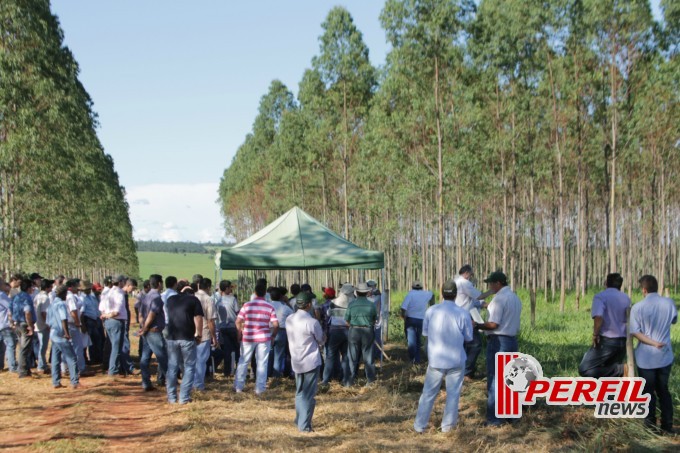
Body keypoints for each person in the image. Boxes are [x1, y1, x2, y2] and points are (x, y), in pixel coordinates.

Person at [414, 280, 473, 433]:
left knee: (428, 393)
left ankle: (420, 426)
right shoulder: (463, 313)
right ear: (455, 295)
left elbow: (425, 334)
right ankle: (447, 428)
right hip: (456, 360)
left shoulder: (431, 311)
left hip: (436, 360)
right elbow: (468, 338)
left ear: (442, 293)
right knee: (453, 394)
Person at [630, 275, 677, 434]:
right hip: (665, 356)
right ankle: (667, 426)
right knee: (663, 389)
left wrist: (652, 342)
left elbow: (635, 332)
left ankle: (650, 427)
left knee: (648, 392)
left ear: (644, 289)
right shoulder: (669, 303)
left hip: (646, 358)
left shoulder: (637, 307)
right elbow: (674, 320)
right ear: (657, 287)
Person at [474, 271, 522, 427]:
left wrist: (477, 325)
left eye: (491, 283)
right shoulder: (515, 298)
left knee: (495, 379)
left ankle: (494, 419)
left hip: (498, 341)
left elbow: (493, 324)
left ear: (498, 283)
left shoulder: (499, 299)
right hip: (511, 341)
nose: (489, 286)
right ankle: (511, 415)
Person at [578, 273, 630, 378]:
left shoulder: (600, 297)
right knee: (610, 374)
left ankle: (621, 369)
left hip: (607, 341)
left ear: (606, 283)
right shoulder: (626, 298)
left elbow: (598, 317)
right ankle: (611, 391)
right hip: (623, 341)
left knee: (585, 368)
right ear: (620, 285)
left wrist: (595, 334)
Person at [286, 292, 325, 433]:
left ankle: (299, 419)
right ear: (309, 305)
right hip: (311, 361)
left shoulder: (289, 319)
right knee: (308, 395)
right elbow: (321, 339)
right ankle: (304, 426)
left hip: (296, 360)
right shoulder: (312, 322)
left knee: (299, 392)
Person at [234, 283, 278, 394]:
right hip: (264, 337)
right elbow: (276, 324)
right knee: (262, 362)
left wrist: (239, 332)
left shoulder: (247, 305)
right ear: (265, 293)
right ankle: (260, 388)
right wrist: (273, 336)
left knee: (243, 361)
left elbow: (238, 321)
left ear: (255, 292)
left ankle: (239, 386)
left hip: (248, 336)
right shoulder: (269, 306)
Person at [165, 280, 204, 404]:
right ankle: (183, 397)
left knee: (172, 367)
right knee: (189, 367)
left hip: (171, 337)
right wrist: (199, 334)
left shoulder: (170, 300)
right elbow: (198, 318)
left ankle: (171, 397)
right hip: (187, 337)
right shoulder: (193, 300)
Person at [454, 265, 493, 379]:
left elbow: (473, 301)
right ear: (466, 273)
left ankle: (462, 370)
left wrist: (487, 305)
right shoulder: (464, 283)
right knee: (475, 344)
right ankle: (466, 372)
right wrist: (491, 291)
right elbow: (479, 296)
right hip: (465, 318)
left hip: (458, 316)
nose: (471, 277)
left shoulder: (456, 282)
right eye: (471, 274)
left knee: (464, 345)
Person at [139, 274, 168, 391]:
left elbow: (141, 314)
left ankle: (146, 382)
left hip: (146, 331)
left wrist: (143, 327)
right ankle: (170, 383)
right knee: (163, 357)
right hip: (153, 331)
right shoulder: (157, 297)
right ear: (160, 283)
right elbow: (152, 314)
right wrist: (146, 328)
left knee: (145, 358)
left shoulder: (146, 296)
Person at [345, 282, 378, 386]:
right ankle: (370, 380)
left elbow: (347, 320)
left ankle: (350, 380)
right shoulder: (371, 304)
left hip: (354, 331)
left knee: (352, 356)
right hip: (367, 331)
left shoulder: (351, 304)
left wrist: (354, 326)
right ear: (367, 292)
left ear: (357, 292)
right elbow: (374, 320)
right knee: (368, 356)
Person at [48, 285, 79, 389]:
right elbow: (63, 319)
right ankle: (75, 382)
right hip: (60, 333)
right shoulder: (61, 304)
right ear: (62, 294)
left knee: (55, 358)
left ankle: (56, 382)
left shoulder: (52, 304)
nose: (66, 295)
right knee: (72, 357)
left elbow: (48, 321)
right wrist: (66, 333)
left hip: (53, 333)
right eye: (66, 293)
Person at [322, 284, 353, 387]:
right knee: (346, 356)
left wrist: (325, 332)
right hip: (347, 331)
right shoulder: (352, 303)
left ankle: (325, 381)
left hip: (334, 330)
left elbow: (327, 317)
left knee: (330, 356)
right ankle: (346, 381)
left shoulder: (333, 303)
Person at [100, 275, 128, 376]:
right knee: (116, 347)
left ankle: (113, 367)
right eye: (124, 281)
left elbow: (101, 308)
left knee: (111, 346)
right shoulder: (119, 293)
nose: (125, 283)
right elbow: (117, 311)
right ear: (120, 282)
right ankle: (113, 370)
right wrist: (109, 315)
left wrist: (105, 315)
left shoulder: (108, 292)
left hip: (108, 321)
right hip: (116, 321)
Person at [400, 281, 434, 364]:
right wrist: (432, 306)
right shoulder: (426, 294)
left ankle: (412, 359)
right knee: (418, 340)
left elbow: (403, 307)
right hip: (421, 320)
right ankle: (417, 360)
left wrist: (403, 316)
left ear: (412, 287)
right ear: (421, 287)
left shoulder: (410, 294)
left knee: (411, 340)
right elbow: (432, 295)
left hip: (410, 319)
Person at [9, 278, 36, 378]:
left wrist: (12, 323)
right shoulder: (27, 298)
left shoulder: (15, 297)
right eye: (32, 287)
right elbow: (27, 312)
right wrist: (30, 326)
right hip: (25, 324)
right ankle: (23, 371)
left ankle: (26, 369)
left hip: (18, 324)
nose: (33, 289)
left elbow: (9, 311)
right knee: (24, 349)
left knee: (23, 347)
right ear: (28, 288)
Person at [194, 278, 218, 391]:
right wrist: (214, 337)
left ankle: (191, 384)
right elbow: (210, 321)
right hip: (203, 333)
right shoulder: (209, 299)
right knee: (201, 360)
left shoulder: (192, 296)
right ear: (208, 287)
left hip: (191, 332)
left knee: (191, 360)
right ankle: (198, 385)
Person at [215, 280, 240, 377]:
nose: (231, 289)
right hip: (232, 327)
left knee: (227, 350)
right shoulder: (233, 299)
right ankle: (238, 370)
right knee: (238, 349)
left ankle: (227, 371)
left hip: (222, 328)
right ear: (226, 288)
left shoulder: (218, 301)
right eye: (230, 287)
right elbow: (237, 312)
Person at [269, 287, 294, 378]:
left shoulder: (267, 305)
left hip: (267, 330)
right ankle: (276, 377)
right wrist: (287, 302)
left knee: (267, 354)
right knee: (278, 355)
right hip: (280, 331)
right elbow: (293, 315)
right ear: (281, 297)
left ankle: (267, 375)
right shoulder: (285, 307)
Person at [80, 280, 104, 364]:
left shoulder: (90, 297)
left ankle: (95, 357)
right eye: (87, 289)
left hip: (94, 320)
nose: (89, 290)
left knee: (95, 339)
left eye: (90, 288)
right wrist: (83, 325)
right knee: (87, 341)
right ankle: (85, 358)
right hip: (88, 320)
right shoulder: (82, 298)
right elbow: (82, 313)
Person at [33, 278, 54, 374]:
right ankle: (41, 366)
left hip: (37, 324)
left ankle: (42, 364)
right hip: (42, 325)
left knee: (42, 345)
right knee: (43, 346)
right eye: (51, 286)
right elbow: (44, 313)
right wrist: (48, 324)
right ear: (47, 287)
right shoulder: (45, 297)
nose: (52, 287)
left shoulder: (37, 296)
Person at [0, 278, 18, 373]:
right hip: (4, 324)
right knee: (10, 345)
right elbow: (10, 306)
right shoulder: (2, 295)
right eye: (3, 283)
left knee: (1, 346)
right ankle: (12, 366)